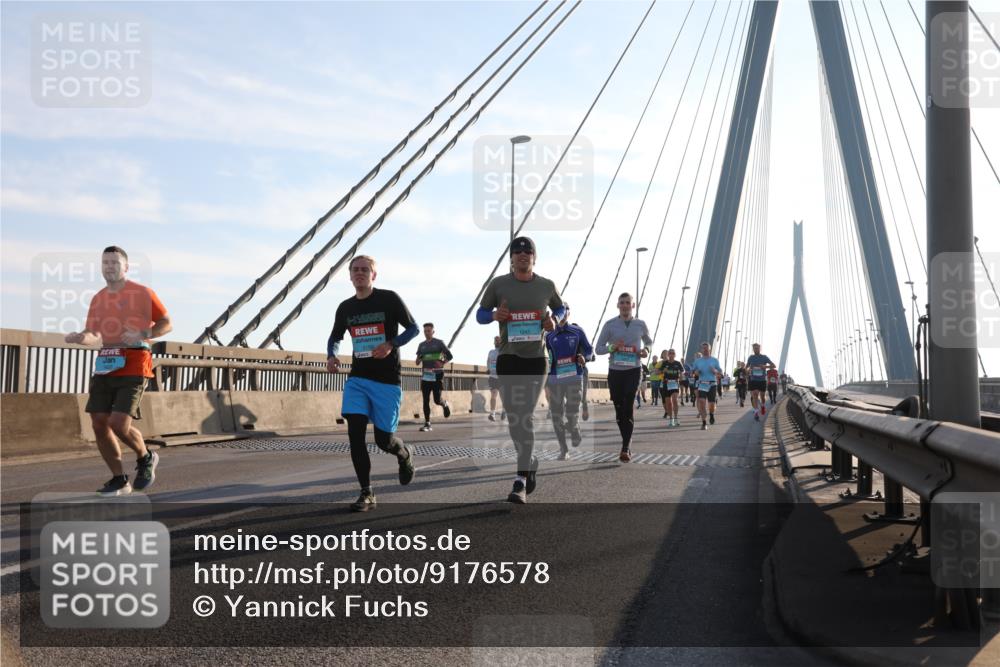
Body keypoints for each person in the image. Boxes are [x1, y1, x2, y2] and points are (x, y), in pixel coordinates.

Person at [64, 246, 171, 496]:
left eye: (114, 262)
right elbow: (94, 335)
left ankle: (145, 457)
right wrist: (81, 337)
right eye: (105, 263)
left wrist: (144, 333)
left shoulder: (143, 293)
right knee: (99, 423)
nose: (109, 267)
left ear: (126, 267)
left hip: (135, 363)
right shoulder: (98, 298)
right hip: (106, 363)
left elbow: (167, 323)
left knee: (118, 423)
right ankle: (119, 480)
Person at [327, 255, 418, 512]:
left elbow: (413, 328)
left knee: (383, 440)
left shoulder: (389, 299)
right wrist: (332, 355)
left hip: (387, 380)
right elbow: (334, 337)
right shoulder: (345, 308)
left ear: (373, 275)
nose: (359, 273)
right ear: (350, 275)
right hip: (358, 378)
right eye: (355, 270)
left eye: (365, 270)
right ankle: (367, 492)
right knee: (355, 433)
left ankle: (404, 454)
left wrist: (391, 344)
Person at [477, 236, 563, 504]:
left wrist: (554, 320)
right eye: (517, 252)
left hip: (536, 359)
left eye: (528, 252)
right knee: (515, 418)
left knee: (524, 414)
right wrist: (493, 316)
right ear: (511, 258)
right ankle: (531, 460)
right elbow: (480, 314)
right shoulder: (499, 284)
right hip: (508, 358)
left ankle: (520, 480)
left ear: (534, 258)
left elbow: (562, 308)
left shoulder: (546, 285)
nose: (523, 255)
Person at [596, 292, 652, 462]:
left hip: (634, 370)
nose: (625, 305)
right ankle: (626, 439)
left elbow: (649, 341)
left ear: (633, 306)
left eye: (628, 302)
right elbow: (598, 349)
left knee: (628, 403)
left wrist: (646, 350)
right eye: (622, 302)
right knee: (620, 410)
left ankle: (625, 447)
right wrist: (612, 347)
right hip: (615, 371)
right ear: (618, 305)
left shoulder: (640, 324)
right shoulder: (610, 324)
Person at [544, 304, 593, 460]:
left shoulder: (577, 331)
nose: (562, 313)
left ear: (569, 313)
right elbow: (544, 357)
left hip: (574, 378)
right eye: (559, 311)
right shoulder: (548, 335)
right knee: (556, 415)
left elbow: (589, 349)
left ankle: (574, 427)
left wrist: (585, 358)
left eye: (565, 310)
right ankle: (563, 450)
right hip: (554, 380)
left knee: (572, 412)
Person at [415, 323, 454, 431]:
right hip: (426, 375)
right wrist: (420, 358)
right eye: (425, 331)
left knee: (437, 400)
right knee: (425, 400)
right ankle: (427, 423)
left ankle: (444, 404)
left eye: (429, 331)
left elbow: (450, 356)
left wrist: (442, 363)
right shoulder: (421, 345)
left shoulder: (439, 343)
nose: (427, 333)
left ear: (433, 332)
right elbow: (417, 362)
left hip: (437, 374)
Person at [692, 342, 723, 430]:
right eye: (703, 348)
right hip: (702, 383)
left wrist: (715, 371)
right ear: (701, 350)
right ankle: (704, 422)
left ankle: (712, 414)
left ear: (710, 349)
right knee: (701, 402)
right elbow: (693, 372)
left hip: (712, 383)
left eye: (706, 348)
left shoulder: (715, 360)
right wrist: (695, 373)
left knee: (711, 404)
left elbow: (720, 372)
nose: (705, 350)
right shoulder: (697, 361)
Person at [745, 343, 777, 422]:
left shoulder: (764, 357)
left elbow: (774, 365)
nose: (756, 349)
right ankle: (756, 413)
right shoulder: (751, 358)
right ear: (753, 349)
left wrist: (765, 367)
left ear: (760, 349)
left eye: (757, 348)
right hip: (753, 379)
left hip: (762, 380)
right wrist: (748, 370)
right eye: (755, 348)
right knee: (755, 395)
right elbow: (746, 367)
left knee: (762, 397)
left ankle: (762, 405)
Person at [659, 348, 685, 427]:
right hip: (666, 384)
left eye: (673, 353)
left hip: (674, 383)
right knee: (668, 403)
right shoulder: (664, 363)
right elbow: (658, 372)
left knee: (674, 400)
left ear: (675, 355)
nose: (671, 354)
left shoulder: (678, 363)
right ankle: (671, 419)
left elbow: (683, 371)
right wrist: (663, 370)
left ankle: (676, 418)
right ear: (668, 355)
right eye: (670, 353)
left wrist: (681, 374)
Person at [486, 336, 504, 421]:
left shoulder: (504, 352)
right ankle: (492, 414)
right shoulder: (491, 352)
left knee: (503, 396)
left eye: (498, 341)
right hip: (493, 377)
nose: (496, 342)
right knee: (494, 394)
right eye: (495, 341)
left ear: (501, 342)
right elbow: (488, 361)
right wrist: (489, 369)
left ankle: (504, 411)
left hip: (502, 378)